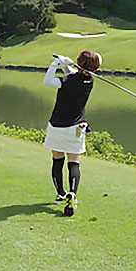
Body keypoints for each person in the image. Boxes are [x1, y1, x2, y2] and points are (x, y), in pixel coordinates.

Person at [43, 50, 102, 216]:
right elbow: (75, 75)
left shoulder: (68, 81)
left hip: (56, 126)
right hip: (75, 129)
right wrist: (66, 65)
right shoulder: (89, 80)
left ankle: (61, 193)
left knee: (57, 160)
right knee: (74, 162)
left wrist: (56, 64)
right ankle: (72, 194)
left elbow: (48, 81)